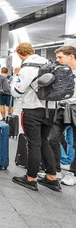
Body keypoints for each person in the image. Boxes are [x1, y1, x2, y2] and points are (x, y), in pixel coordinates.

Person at [11, 42, 60, 191]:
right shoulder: (50, 64)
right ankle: (51, 177)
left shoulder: (27, 68)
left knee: (33, 143)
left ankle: (31, 178)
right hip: (51, 109)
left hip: (33, 109)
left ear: (19, 54)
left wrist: (15, 76)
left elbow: (16, 92)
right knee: (44, 141)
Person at [47, 46, 76, 186]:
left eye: (60, 57)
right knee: (53, 139)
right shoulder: (60, 73)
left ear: (71, 56)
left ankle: (73, 173)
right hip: (61, 109)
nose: (58, 60)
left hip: (75, 108)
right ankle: (55, 170)